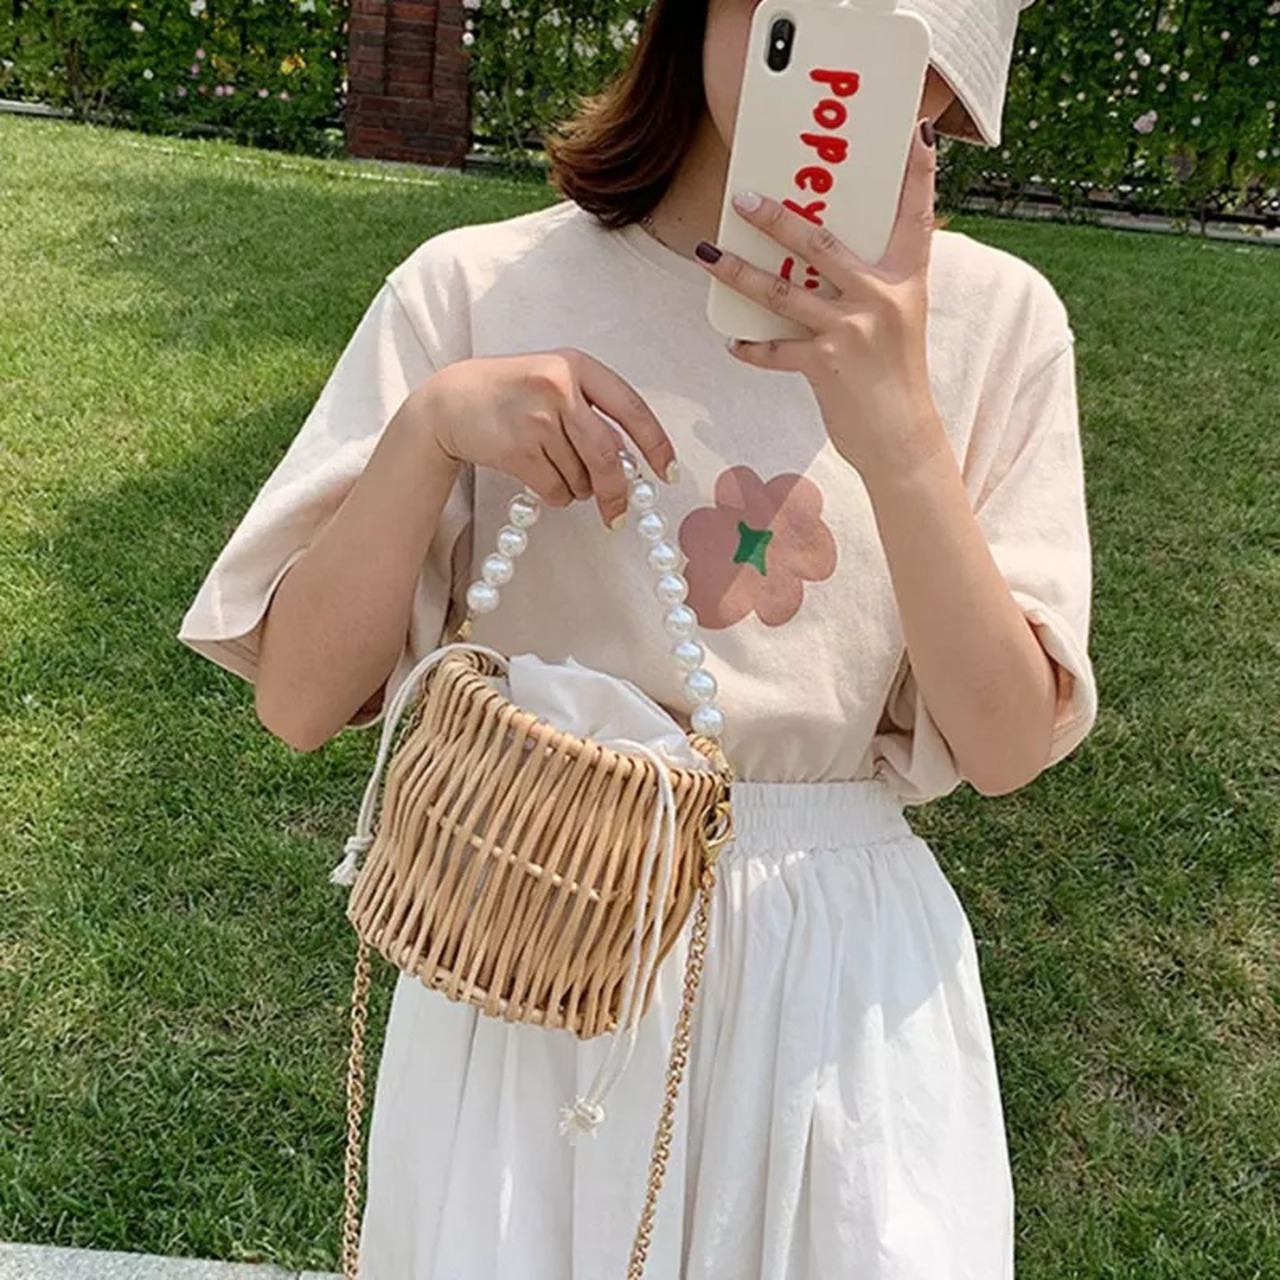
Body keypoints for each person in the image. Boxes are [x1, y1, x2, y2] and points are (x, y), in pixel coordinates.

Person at [178, 0, 1097, 1274]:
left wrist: (897, 426)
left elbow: (1001, 745)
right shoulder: (475, 288)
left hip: (834, 995)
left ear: (941, 88)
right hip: (533, 943)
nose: (831, 52)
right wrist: (430, 430)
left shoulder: (995, 323)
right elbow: (296, 699)